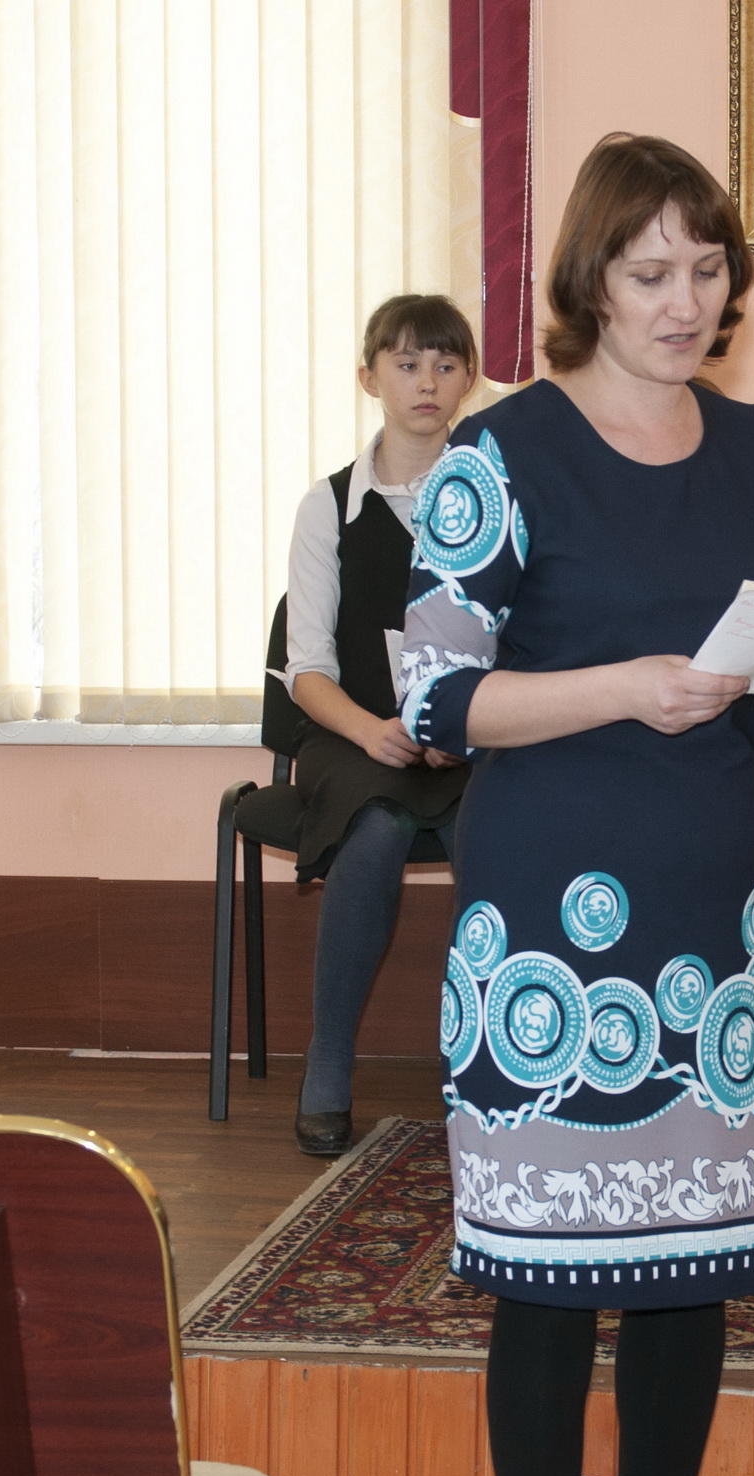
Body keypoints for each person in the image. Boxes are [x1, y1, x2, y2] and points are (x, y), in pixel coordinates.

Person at [400, 136, 754, 1476]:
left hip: (720, 941)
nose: (685, 299)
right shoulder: (502, 451)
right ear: (589, 280)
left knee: (688, 1278)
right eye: (652, 271)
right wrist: (623, 687)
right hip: (554, 947)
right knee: (549, 1288)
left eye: (707, 269)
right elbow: (435, 699)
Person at [285, 294, 476, 1156]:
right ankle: (328, 1062)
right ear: (370, 378)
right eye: (406, 364)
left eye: (445, 364)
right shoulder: (327, 506)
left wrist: (460, 724)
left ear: (469, 380)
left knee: (499, 824)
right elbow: (306, 669)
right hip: (354, 736)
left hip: (471, 734)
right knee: (378, 824)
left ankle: (495, 1058)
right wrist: (372, 732)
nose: (426, 382)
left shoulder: (497, 495)